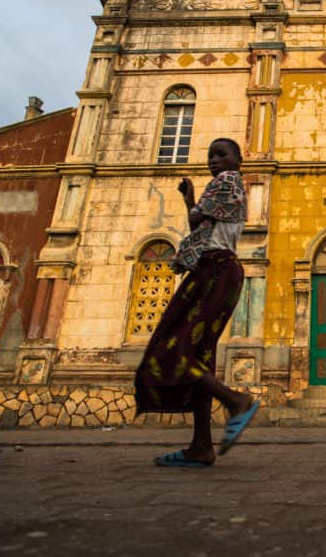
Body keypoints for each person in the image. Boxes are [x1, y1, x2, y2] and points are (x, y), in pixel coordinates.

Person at [135, 138, 259, 467]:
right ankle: (201, 445)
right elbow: (199, 223)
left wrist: (194, 200)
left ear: (238, 160)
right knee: (199, 359)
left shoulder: (228, 182)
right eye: (211, 156)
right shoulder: (219, 191)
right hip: (215, 271)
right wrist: (189, 198)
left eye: (222, 154)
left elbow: (200, 218)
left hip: (215, 272)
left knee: (172, 350)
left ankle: (236, 401)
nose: (214, 160)